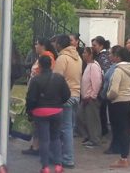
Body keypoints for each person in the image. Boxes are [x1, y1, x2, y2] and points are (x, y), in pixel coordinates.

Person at [26, 56, 71, 173]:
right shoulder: (59, 78)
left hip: (40, 112)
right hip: (56, 111)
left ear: (39, 65)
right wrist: (58, 103)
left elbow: (30, 99)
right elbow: (67, 94)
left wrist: (30, 111)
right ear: (51, 65)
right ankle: (58, 166)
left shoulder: (35, 80)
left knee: (44, 140)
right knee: (56, 138)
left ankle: (45, 167)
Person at [22, 38, 57, 156]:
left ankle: (39, 147)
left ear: (43, 46)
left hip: (40, 94)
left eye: (37, 44)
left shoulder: (48, 58)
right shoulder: (42, 57)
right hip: (36, 91)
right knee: (36, 122)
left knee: (39, 122)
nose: (35, 46)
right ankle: (35, 145)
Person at [52, 34, 82, 169]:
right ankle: (63, 155)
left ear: (59, 44)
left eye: (56, 43)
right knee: (69, 127)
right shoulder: (77, 57)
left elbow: (56, 80)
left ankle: (68, 158)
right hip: (76, 95)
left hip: (65, 96)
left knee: (65, 129)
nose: (55, 45)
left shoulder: (62, 58)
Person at [106, 47, 130, 168]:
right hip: (129, 101)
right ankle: (125, 156)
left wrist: (108, 96)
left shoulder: (118, 70)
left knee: (121, 130)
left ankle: (123, 159)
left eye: (112, 55)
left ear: (118, 57)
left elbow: (114, 90)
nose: (110, 57)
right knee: (126, 130)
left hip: (119, 102)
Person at [77, 47, 103, 148]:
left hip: (90, 98)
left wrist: (92, 95)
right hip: (85, 98)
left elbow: (97, 82)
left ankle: (95, 139)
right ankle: (88, 136)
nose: (83, 54)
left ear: (90, 55)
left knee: (92, 119)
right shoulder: (89, 65)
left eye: (85, 53)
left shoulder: (94, 66)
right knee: (81, 117)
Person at [101, 44, 122, 154]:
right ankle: (116, 145)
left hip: (114, 98)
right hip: (112, 98)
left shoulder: (117, 68)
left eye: (111, 54)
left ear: (116, 56)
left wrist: (106, 95)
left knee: (116, 124)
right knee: (115, 124)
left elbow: (110, 82)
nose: (109, 55)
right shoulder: (113, 66)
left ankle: (116, 146)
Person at [91, 35, 112, 136]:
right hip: (103, 87)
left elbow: (104, 72)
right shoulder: (103, 55)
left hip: (102, 87)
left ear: (101, 45)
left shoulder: (102, 56)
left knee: (101, 110)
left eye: (95, 45)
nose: (93, 47)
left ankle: (103, 130)